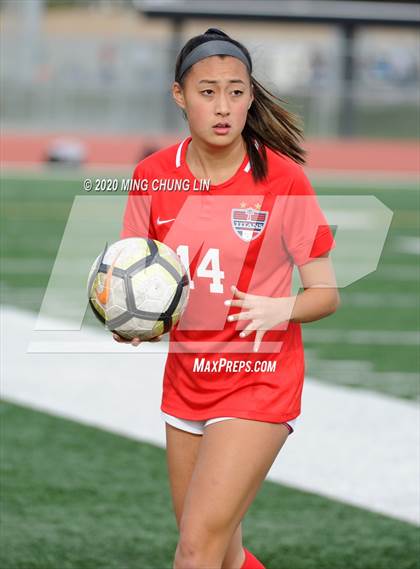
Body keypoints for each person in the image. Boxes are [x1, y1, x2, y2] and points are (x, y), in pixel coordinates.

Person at [114, 28, 340, 569]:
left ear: (251, 97)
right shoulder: (151, 177)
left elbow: (326, 293)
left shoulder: (281, 178)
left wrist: (280, 307)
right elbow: (133, 280)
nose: (223, 107)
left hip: (258, 378)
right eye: (208, 91)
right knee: (224, 554)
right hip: (187, 381)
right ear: (179, 96)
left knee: (194, 551)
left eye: (236, 92)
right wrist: (132, 321)